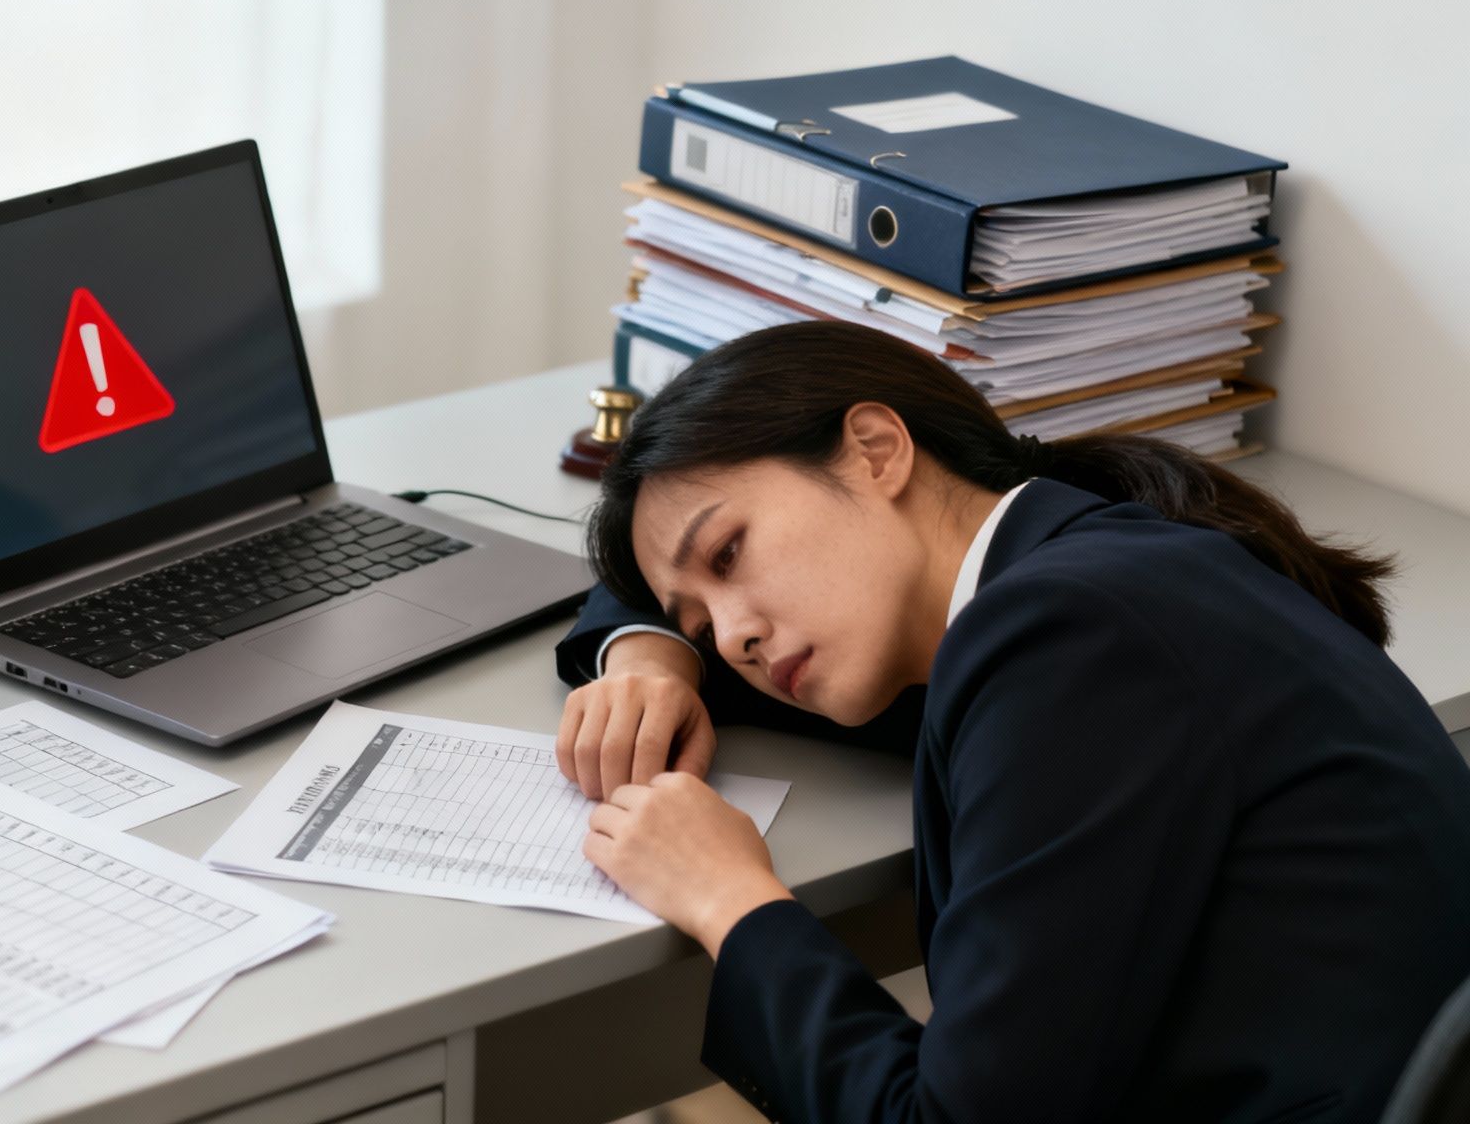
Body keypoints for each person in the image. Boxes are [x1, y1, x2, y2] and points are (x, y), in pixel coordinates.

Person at [552, 321, 1470, 1123]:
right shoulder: (1092, 562)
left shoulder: (1067, 638)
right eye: (703, 623)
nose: (737, 636)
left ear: (875, 449)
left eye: (729, 551)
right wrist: (653, 652)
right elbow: (627, 590)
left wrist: (731, 901)